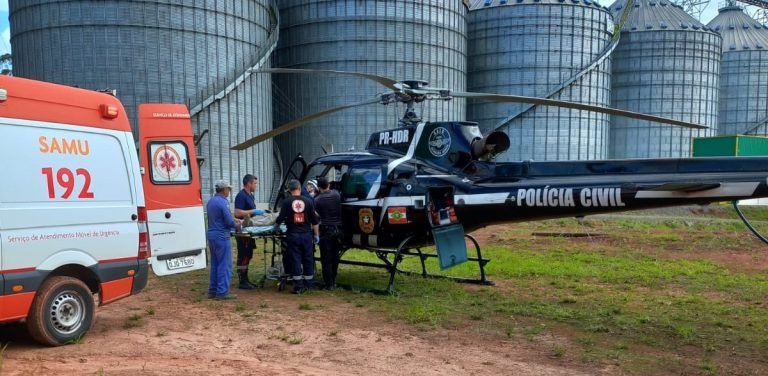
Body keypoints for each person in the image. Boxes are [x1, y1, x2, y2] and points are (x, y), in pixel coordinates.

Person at [274, 179, 320, 294]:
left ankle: (298, 286)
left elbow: (280, 218)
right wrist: (316, 235)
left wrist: (276, 226)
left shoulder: (286, 202)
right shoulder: (308, 201)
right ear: (299, 188)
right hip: (306, 235)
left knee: (295, 259)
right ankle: (309, 283)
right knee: (308, 258)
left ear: (289, 190)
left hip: (293, 235)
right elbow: (315, 221)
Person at [207, 180, 241, 300]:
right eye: (228, 189)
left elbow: (218, 218)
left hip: (212, 235)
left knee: (215, 263)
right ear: (224, 190)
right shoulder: (223, 202)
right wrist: (238, 224)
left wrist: (233, 220)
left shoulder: (211, 201)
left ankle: (212, 290)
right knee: (224, 264)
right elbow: (228, 221)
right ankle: (222, 292)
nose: (229, 191)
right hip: (222, 236)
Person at [233, 174, 265, 290]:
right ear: (249, 183)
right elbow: (237, 213)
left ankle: (246, 279)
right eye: (255, 183)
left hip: (249, 229)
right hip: (242, 231)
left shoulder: (250, 196)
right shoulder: (241, 196)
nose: (256, 185)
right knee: (244, 254)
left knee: (248, 253)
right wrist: (253, 211)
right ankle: (242, 281)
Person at [314, 177, 343, 290]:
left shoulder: (317, 200)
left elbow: (315, 217)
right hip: (338, 230)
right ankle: (334, 280)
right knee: (335, 257)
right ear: (328, 185)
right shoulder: (336, 194)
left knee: (326, 258)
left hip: (326, 230)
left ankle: (328, 284)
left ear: (318, 187)